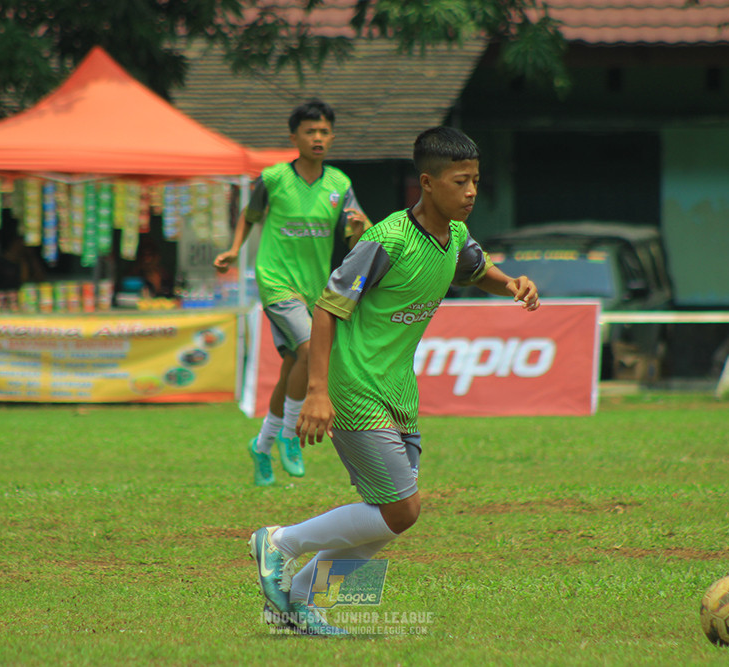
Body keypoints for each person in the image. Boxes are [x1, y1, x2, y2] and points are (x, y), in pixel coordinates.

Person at [248, 126, 540, 635]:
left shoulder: (455, 238)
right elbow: (325, 310)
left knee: (389, 516)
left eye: (475, 181)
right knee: (402, 510)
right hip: (355, 385)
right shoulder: (387, 240)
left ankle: (300, 602)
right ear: (427, 183)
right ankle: (278, 543)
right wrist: (317, 391)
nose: (471, 191)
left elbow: (478, 268)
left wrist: (511, 282)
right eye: (460, 182)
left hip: (399, 393)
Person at [214, 99, 369, 487]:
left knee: (292, 369)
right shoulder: (272, 179)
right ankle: (289, 435)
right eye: (309, 131)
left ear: (332, 137)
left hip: (315, 288)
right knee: (309, 349)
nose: (317, 138)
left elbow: (356, 237)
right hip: (276, 280)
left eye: (324, 132)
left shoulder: (340, 185)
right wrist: (234, 251)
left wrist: (358, 228)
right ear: (294, 136)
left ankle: (262, 445)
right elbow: (248, 217)